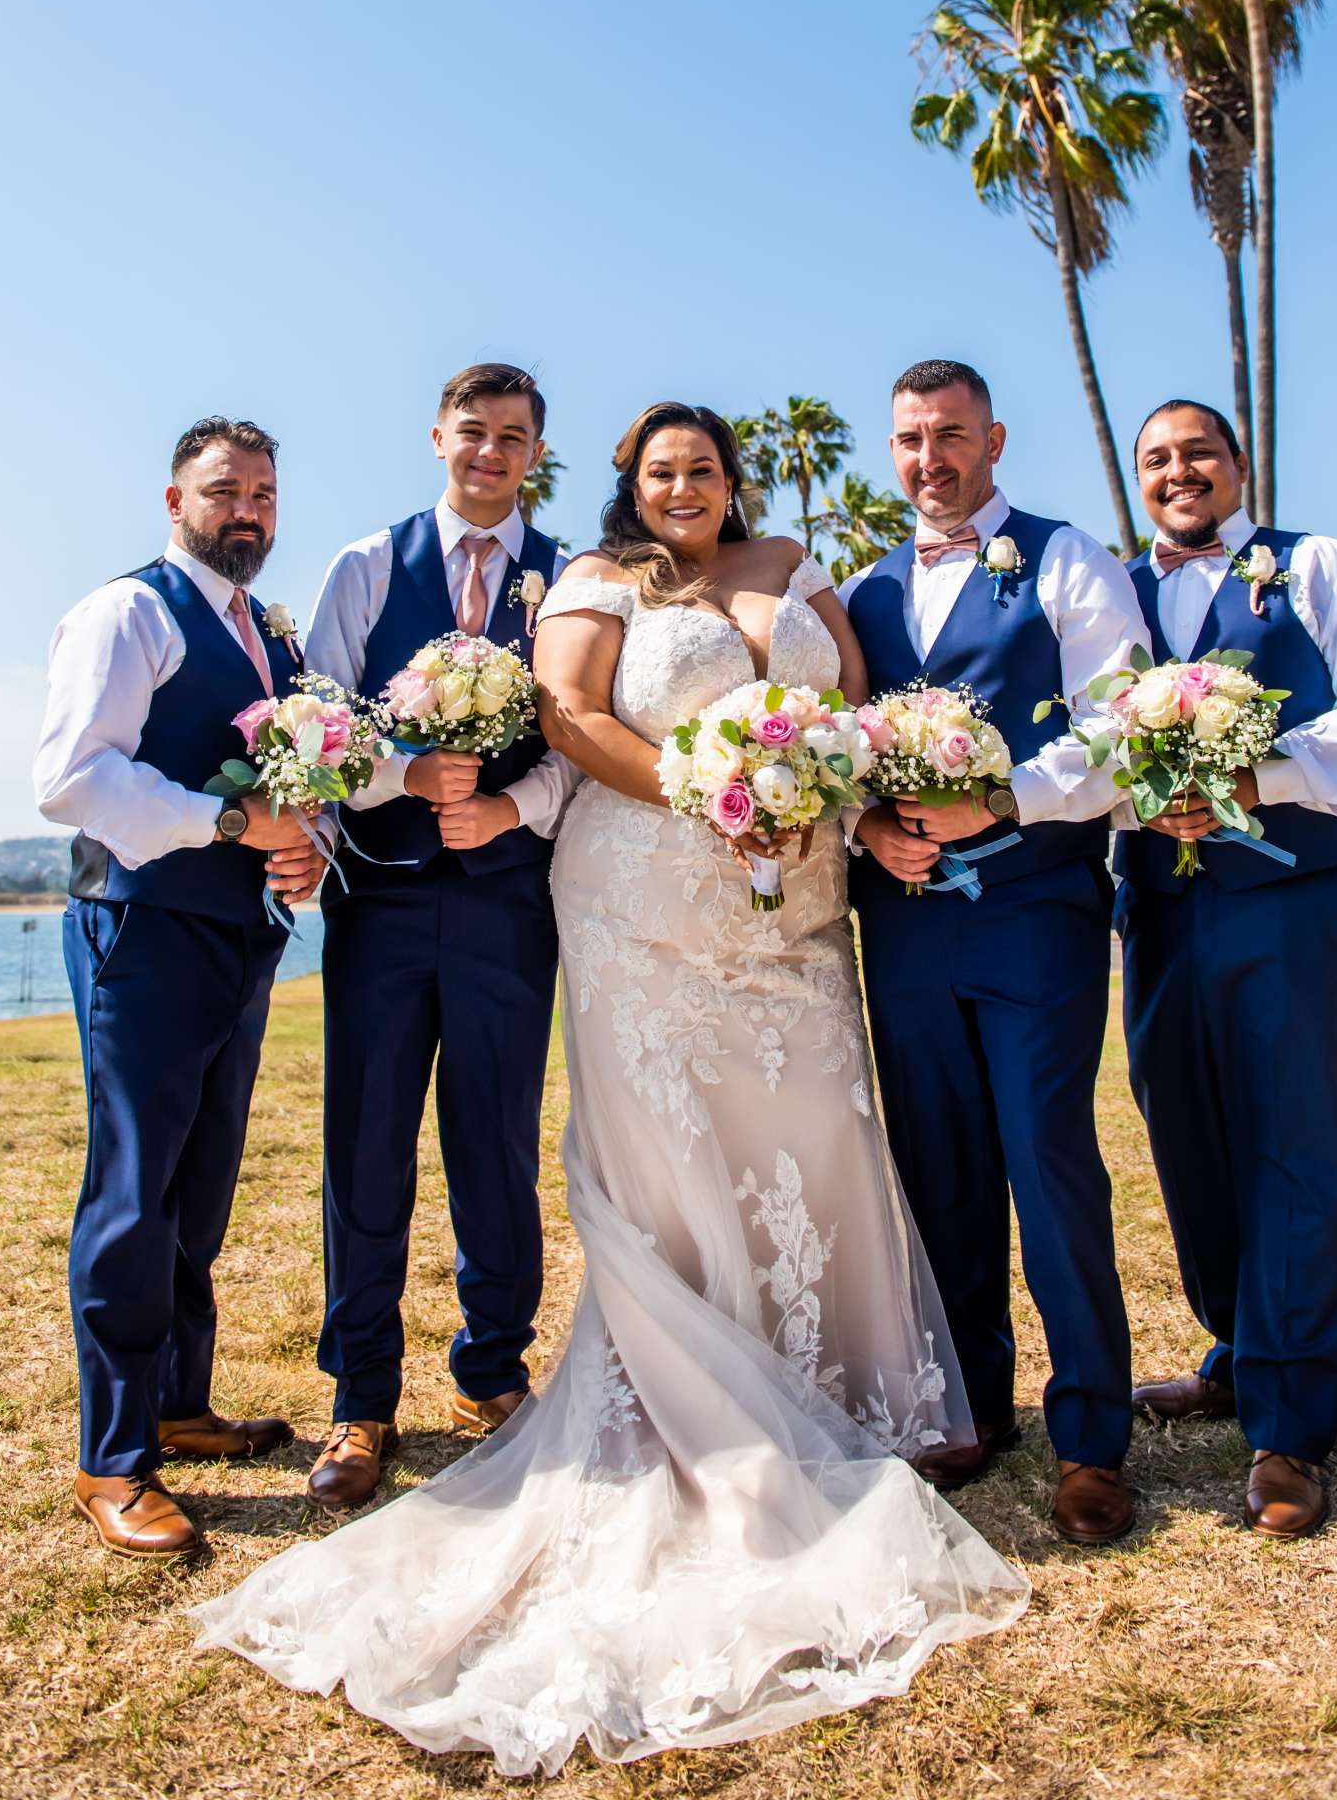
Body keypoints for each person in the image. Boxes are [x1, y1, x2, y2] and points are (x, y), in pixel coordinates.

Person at [192, 401, 1028, 1773]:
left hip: (800, 910)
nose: (684, 485)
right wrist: (717, 789)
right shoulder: (591, 583)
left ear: (730, 480)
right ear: (630, 490)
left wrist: (843, 799)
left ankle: (844, 1384)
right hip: (648, 898)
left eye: (702, 467)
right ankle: (636, 1395)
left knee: (812, 1137)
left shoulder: (799, 569)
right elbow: (571, 715)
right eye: (660, 471)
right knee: (666, 1156)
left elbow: (859, 712)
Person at [842, 359, 1149, 1546]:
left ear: (994, 439)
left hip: (1035, 919)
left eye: (952, 436)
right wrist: (870, 827)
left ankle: (1091, 1438)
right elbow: (837, 759)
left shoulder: (1066, 560)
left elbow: (1119, 727)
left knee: (1048, 1164)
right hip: (906, 928)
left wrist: (1006, 800)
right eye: (912, 440)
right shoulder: (864, 590)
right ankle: (968, 1407)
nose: (933, 461)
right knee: (939, 1171)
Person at [1115, 399, 1337, 1537]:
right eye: (1156, 458)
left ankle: (1289, 1423)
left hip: (1291, 901)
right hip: (1156, 906)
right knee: (1184, 1133)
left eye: (1198, 451)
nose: (1177, 471)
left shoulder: (1314, 567)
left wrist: (1262, 777)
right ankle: (1239, 1352)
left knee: (1293, 1142)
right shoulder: (1111, 591)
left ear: (1237, 467)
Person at [35, 417, 329, 1557]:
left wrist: (303, 842)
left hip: (240, 935)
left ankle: (176, 1400)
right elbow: (72, 776)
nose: (246, 509)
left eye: (262, 491)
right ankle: (113, 1459)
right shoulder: (129, 613)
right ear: (174, 501)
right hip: (141, 930)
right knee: (132, 1189)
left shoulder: (269, 635)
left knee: (199, 1186)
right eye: (223, 491)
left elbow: (300, 781)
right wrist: (228, 820)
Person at [299, 365, 577, 1508]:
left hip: (511, 901)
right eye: (473, 433)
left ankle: (490, 1372)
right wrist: (401, 773)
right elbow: (314, 729)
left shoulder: (567, 580)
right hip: (379, 900)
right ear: (437, 438)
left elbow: (581, 743)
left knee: (496, 1141)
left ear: (533, 453)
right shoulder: (365, 567)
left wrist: (511, 807)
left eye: (512, 438)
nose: (489, 455)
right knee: (366, 1142)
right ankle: (360, 1397)